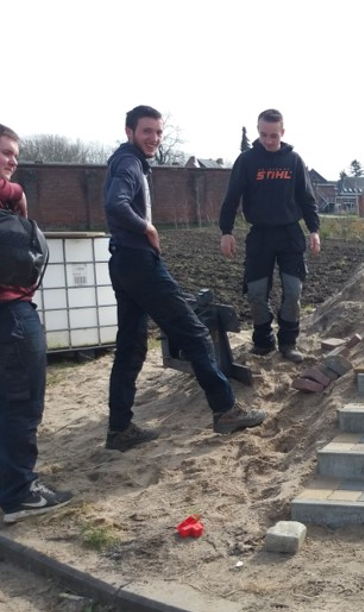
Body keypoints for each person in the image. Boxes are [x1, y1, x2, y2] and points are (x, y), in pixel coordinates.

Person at [104, 105, 266, 451]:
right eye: (147, 131)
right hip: (139, 261)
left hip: (121, 261)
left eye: (158, 132)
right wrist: (147, 227)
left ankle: (119, 429)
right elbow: (116, 204)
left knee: (131, 346)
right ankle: (225, 410)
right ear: (129, 131)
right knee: (193, 332)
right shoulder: (129, 163)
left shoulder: (126, 162)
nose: (154, 138)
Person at [0, 123, 73, 522]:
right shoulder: (8, 195)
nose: (13, 160)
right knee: (22, 403)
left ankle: (11, 486)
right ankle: (20, 494)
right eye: (5, 152)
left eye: (15, 154)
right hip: (11, 315)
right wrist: (18, 196)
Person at [219, 108, 321, 364]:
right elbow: (231, 199)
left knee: (293, 292)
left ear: (282, 133)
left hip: (289, 234)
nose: (268, 140)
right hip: (260, 236)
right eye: (263, 135)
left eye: (273, 135)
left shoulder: (294, 161)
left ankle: (288, 342)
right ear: (258, 132)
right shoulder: (247, 161)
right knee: (255, 294)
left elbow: (307, 199)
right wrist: (226, 232)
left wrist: (314, 230)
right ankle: (263, 340)